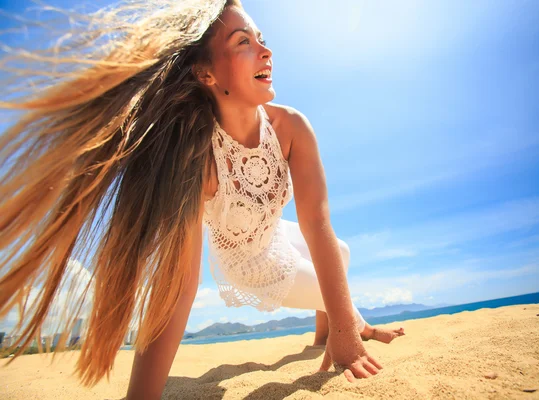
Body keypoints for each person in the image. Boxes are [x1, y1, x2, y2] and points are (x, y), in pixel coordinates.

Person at [0, 1, 404, 398]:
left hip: (274, 233)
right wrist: (354, 332)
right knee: (336, 299)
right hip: (248, 261)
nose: (266, 50)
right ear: (206, 73)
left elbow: (317, 222)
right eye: (244, 42)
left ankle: (324, 337)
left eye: (261, 39)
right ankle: (350, 326)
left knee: (342, 253)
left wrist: (343, 338)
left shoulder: (292, 125)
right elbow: (179, 288)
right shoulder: (199, 160)